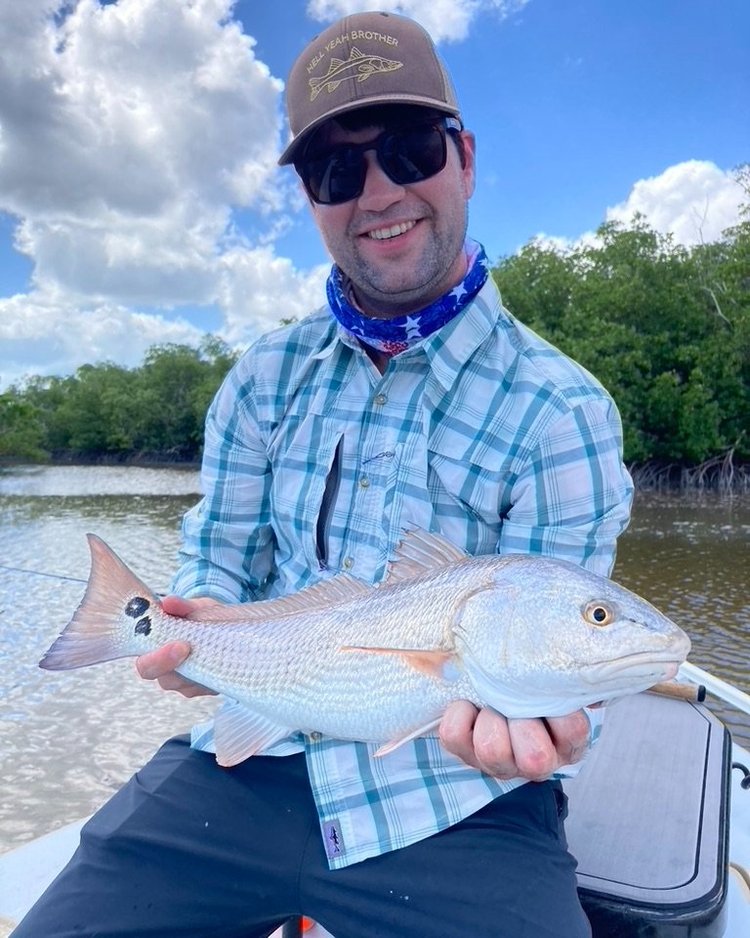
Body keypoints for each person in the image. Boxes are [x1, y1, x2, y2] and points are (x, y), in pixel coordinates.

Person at [14, 11, 633, 938]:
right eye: (336, 172)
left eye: (410, 149)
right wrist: (196, 626)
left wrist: (544, 724)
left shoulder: (563, 411)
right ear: (310, 199)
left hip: (457, 796)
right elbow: (221, 554)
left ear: (465, 159)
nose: (378, 191)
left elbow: (555, 641)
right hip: (249, 757)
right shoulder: (261, 377)